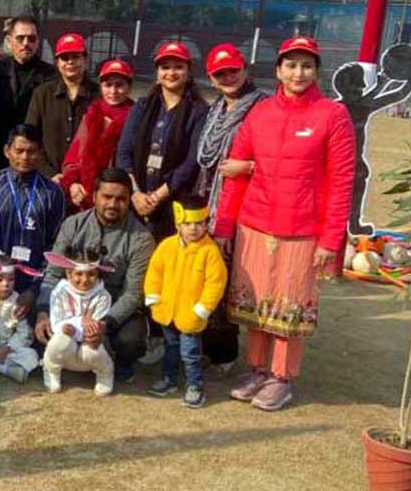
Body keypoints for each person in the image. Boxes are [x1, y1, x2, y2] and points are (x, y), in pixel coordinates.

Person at [213, 35, 356, 411]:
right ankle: (257, 369)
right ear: (278, 70)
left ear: (316, 71)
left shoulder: (332, 116)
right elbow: (236, 172)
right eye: (291, 65)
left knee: (290, 307)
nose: (298, 73)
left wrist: (330, 240)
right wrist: (225, 226)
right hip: (254, 224)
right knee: (256, 302)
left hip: (302, 230)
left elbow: (342, 182)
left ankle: (281, 377)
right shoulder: (260, 113)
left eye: (307, 65)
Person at [38, 168, 154, 382]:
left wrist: (103, 324)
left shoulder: (141, 238)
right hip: (71, 304)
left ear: (129, 200)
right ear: (94, 196)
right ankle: (68, 358)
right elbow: (53, 272)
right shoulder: (73, 224)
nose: (112, 204)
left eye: (120, 199)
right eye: (107, 197)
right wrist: (44, 311)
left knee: (131, 340)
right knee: (34, 325)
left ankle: (116, 362)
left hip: (113, 308)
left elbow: (133, 294)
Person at [195, 43, 268, 371]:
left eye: (232, 70)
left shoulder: (263, 107)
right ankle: (209, 346)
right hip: (212, 202)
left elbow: (280, 158)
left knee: (237, 280)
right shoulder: (215, 109)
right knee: (211, 276)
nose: (228, 77)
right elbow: (205, 156)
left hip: (248, 204)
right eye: (219, 73)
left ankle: (229, 351)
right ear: (211, 78)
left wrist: (249, 167)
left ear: (245, 69)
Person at [116, 41, 209, 241]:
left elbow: (192, 161)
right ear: (157, 73)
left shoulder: (198, 111)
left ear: (188, 72)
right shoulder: (142, 106)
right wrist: (135, 194)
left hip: (173, 203)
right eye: (165, 67)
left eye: (178, 67)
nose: (171, 73)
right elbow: (123, 153)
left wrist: (157, 197)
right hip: (136, 199)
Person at [144, 198, 227, 408]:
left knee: (190, 353)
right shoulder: (167, 246)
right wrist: (153, 297)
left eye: (199, 223)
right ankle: (169, 379)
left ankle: (195, 385)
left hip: (191, 315)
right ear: (178, 224)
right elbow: (155, 272)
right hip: (167, 311)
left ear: (206, 224)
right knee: (170, 347)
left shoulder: (210, 251)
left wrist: (203, 308)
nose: (193, 228)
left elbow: (215, 282)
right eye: (188, 223)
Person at [0, 124, 65, 292]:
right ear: (7, 151)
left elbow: (56, 245)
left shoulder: (52, 192)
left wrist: (34, 290)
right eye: (19, 151)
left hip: (34, 283)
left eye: (32, 151)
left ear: (40, 153)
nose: (25, 157)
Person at [61, 59, 135, 211]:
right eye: (108, 85)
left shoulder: (137, 117)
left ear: (129, 87)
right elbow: (74, 157)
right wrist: (74, 184)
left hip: (119, 197)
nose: (113, 91)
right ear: (101, 86)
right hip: (86, 194)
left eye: (119, 85)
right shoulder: (91, 115)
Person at [40, 248, 115, 396]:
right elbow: (56, 323)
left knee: (93, 346)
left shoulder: (103, 296)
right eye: (79, 274)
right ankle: (52, 370)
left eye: (91, 274)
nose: (85, 280)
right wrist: (79, 323)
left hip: (88, 343)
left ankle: (104, 373)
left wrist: (86, 330)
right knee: (59, 340)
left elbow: (96, 326)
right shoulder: (59, 292)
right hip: (67, 345)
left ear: (98, 273)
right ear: (69, 273)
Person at [0, 13, 56, 174]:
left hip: (33, 157)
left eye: (31, 39)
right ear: (10, 41)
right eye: (20, 38)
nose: (26, 43)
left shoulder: (51, 75)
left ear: (38, 41)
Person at [25, 33, 97, 181]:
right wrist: (49, 173)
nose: (70, 62)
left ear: (85, 60)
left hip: (87, 181)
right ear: (57, 62)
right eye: (64, 58)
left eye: (75, 57)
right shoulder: (42, 94)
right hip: (48, 178)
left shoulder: (99, 96)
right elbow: (31, 136)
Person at [0, 252, 41, 384]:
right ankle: (4, 369)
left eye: (11, 279)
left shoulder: (17, 302)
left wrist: (7, 348)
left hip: (8, 350)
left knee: (31, 355)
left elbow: (24, 333)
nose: (6, 284)